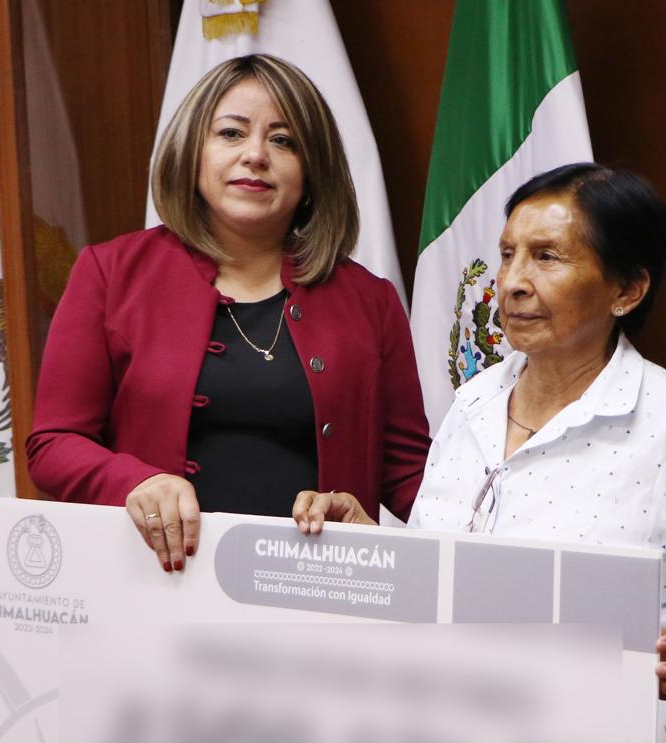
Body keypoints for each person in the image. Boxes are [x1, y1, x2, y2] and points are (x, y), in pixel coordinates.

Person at [293, 163, 666, 743]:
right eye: (507, 254)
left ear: (627, 289)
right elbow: (448, 574)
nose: (512, 281)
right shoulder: (472, 403)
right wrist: (373, 543)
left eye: (547, 256)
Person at [27, 54, 429, 573]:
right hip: (155, 583)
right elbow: (54, 445)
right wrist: (136, 482)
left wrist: (511, 529)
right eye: (231, 133)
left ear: (313, 172)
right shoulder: (110, 272)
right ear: (192, 152)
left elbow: (412, 477)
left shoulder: (371, 300)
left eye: (283, 141)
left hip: (321, 590)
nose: (255, 155)